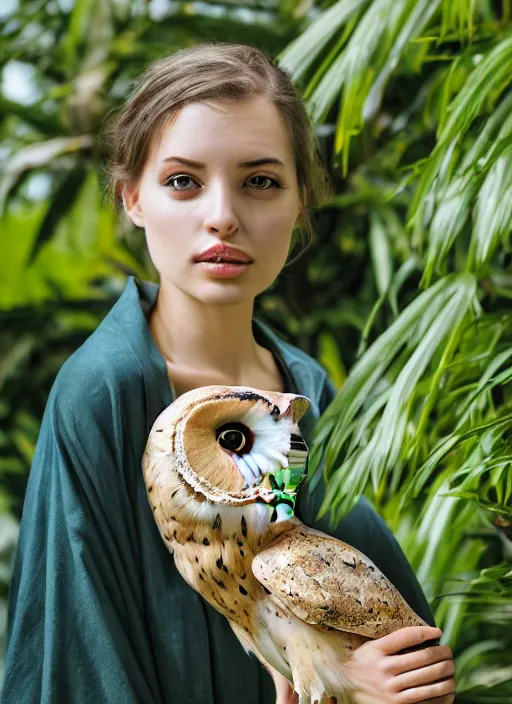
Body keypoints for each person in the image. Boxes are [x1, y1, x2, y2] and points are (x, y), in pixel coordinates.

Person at [3, 42, 455, 704]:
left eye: (261, 181)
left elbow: (384, 632)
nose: (222, 216)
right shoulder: (105, 393)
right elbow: (80, 658)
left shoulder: (306, 385)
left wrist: (387, 680)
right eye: (183, 180)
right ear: (132, 197)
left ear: (301, 203)